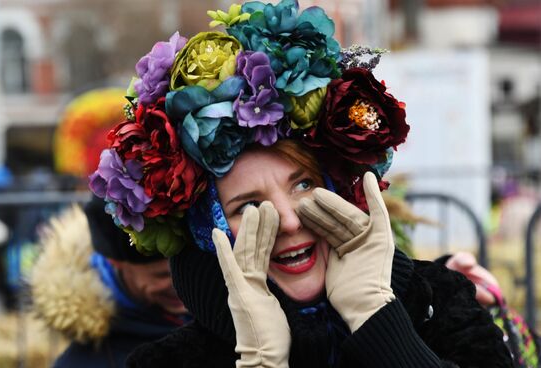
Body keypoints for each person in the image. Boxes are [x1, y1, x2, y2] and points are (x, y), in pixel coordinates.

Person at [87, 1, 513, 367]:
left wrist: (380, 323)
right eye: (248, 207)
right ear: (208, 234)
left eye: (304, 184)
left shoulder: (440, 303)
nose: (289, 221)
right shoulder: (169, 361)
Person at [30, 195, 190, 368]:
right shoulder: (82, 362)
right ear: (115, 262)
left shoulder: (216, 317)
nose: (182, 284)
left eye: (191, 269)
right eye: (163, 275)